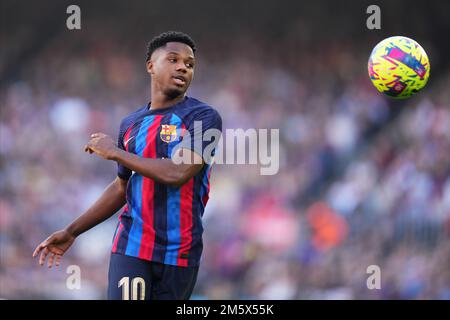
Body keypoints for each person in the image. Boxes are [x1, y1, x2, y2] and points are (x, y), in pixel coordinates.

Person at [33, 31, 223, 300]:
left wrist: (115, 153)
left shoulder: (203, 117)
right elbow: (123, 185)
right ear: (150, 66)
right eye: (173, 59)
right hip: (132, 246)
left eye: (189, 64)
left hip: (180, 252)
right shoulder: (131, 125)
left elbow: (178, 172)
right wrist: (71, 231)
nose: (183, 67)